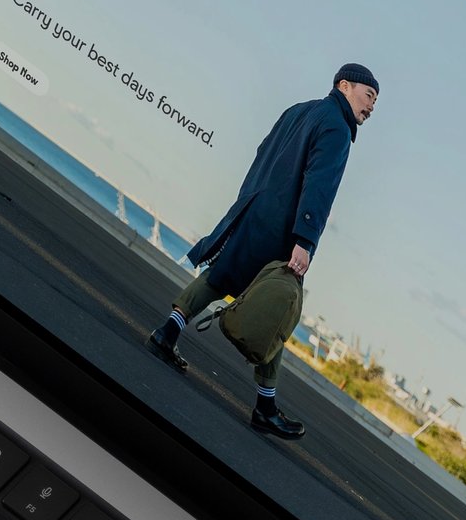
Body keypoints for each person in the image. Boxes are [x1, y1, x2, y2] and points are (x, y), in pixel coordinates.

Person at [148, 63, 380, 439]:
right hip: (281, 227)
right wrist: (304, 239)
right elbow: (319, 185)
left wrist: (248, 199)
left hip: (253, 208)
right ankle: (266, 408)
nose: (371, 108)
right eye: (369, 96)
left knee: (220, 275)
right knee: (277, 311)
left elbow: (262, 152)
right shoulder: (337, 127)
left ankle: (166, 334)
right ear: (345, 86)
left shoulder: (299, 110)